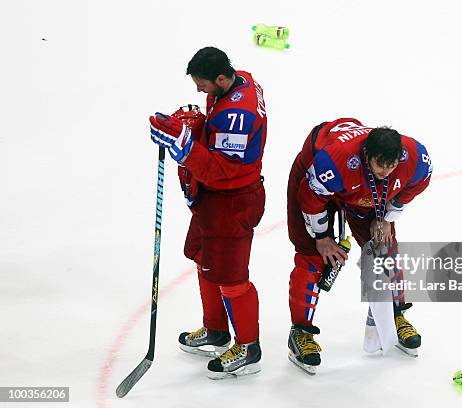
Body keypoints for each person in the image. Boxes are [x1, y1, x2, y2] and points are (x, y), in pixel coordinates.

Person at [149, 47, 267, 379]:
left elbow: (221, 169)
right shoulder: (240, 79)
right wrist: (189, 128)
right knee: (204, 260)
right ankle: (216, 330)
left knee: (232, 279)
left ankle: (249, 348)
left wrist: (183, 143)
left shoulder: (236, 115)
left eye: (202, 85)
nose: (199, 92)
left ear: (220, 78)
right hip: (214, 200)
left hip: (232, 202)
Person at [286, 118, 432, 374]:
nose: (387, 171)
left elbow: (417, 184)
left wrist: (387, 218)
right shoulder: (334, 162)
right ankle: (300, 333)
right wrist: (321, 237)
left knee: (384, 249)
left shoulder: (415, 158)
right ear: (366, 154)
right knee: (313, 257)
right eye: (380, 165)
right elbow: (310, 200)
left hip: (359, 191)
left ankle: (395, 315)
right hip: (316, 183)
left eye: (392, 165)